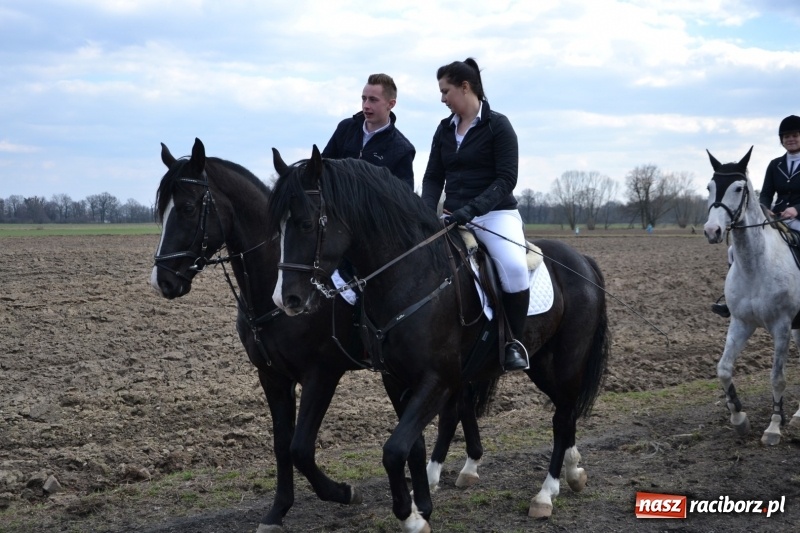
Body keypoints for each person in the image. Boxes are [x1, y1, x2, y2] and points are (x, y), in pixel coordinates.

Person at [421, 57, 529, 372]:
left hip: (496, 216)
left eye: (445, 91)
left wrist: (473, 209)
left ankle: (514, 342)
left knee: (514, 267)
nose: (442, 98)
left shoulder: (499, 126)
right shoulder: (444, 130)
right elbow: (432, 178)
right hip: (453, 217)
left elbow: (506, 179)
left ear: (465, 87)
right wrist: (427, 211)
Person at [711, 114, 800, 318]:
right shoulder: (775, 164)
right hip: (776, 218)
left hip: (798, 220)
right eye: (786, 136)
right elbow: (767, 192)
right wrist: (765, 208)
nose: (790, 139)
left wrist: (797, 209)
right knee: (734, 250)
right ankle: (732, 299)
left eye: (794, 135)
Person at [321, 73, 415, 190]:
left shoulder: (402, 149)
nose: (366, 105)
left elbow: (404, 197)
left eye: (373, 100)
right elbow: (322, 167)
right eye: (364, 99)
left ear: (391, 104)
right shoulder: (345, 128)